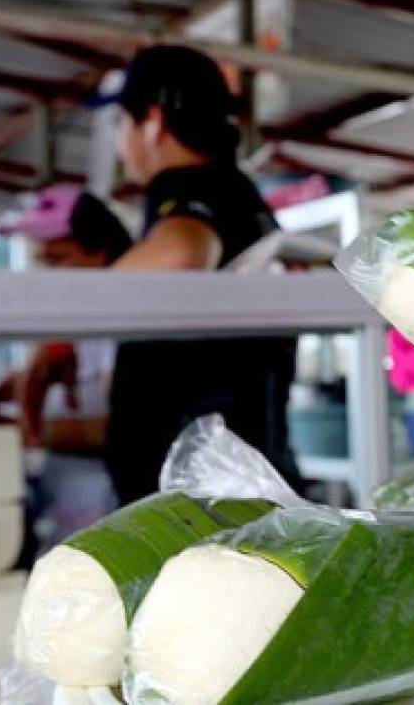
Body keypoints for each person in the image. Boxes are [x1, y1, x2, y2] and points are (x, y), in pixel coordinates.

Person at [105, 44, 301, 504]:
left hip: (191, 501)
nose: (120, 141)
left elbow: (182, 252)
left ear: (152, 121)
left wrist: (80, 306)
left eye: (121, 122)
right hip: (238, 479)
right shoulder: (244, 199)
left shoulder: (188, 188)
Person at [0, 184, 132, 445]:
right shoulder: (76, 324)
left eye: (56, 259)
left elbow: (131, 432)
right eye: (39, 262)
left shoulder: (133, 322)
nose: (44, 276)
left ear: (100, 252)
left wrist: (20, 433)